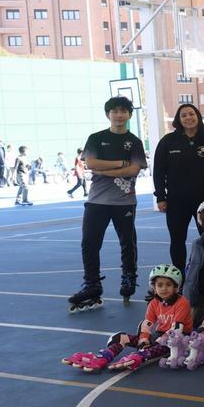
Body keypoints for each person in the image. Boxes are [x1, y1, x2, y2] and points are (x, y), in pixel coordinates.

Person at [68, 96, 147, 312]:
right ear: (108, 114)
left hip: (124, 201)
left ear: (129, 114)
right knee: (89, 243)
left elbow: (134, 170)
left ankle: (129, 277)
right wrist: (120, 163)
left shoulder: (135, 142)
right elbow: (90, 162)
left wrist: (104, 171)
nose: (119, 115)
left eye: (123, 111)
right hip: (97, 200)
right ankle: (92, 283)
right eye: (115, 111)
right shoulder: (96, 138)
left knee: (127, 242)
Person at [62, 265, 191, 372]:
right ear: (154, 287)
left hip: (178, 339)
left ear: (176, 287)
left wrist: (158, 341)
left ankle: (140, 356)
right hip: (159, 335)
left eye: (168, 285)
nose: (164, 288)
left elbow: (177, 328)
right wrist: (144, 340)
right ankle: (103, 357)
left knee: (164, 342)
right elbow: (147, 323)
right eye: (160, 285)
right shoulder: (154, 303)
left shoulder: (182, 302)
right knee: (119, 337)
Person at [154, 104, 204, 269]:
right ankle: (178, 276)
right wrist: (160, 197)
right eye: (183, 115)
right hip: (176, 200)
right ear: (178, 120)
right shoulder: (167, 142)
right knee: (177, 240)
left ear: (197, 116)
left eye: (191, 114)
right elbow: (158, 171)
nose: (188, 118)